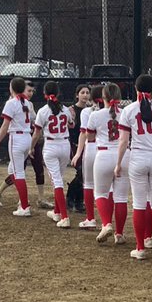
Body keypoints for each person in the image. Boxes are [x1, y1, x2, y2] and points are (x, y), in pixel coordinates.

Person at [117, 74, 152, 260]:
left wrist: (118, 163)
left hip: (138, 158)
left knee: (139, 204)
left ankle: (140, 247)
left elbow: (123, 141)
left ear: (135, 89)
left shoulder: (129, 110)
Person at [73, 82, 128, 244]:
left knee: (100, 193)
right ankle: (119, 234)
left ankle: (106, 224)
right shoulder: (125, 113)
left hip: (103, 154)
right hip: (124, 155)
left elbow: (89, 137)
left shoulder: (95, 115)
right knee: (121, 198)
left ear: (102, 98)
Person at [31, 81, 75, 227]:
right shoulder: (65, 109)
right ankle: (57, 212)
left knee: (57, 181)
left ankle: (64, 216)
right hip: (64, 144)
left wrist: (31, 147)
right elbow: (71, 124)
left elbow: (37, 133)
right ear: (58, 94)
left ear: (45, 94)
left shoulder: (43, 111)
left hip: (51, 146)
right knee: (59, 179)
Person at [0, 77, 35, 216]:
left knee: (18, 173)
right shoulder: (26, 102)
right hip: (27, 137)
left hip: (17, 138)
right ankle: (1, 193)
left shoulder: (11, 103)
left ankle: (24, 206)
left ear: (12, 88)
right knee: (15, 171)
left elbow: (5, 125)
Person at [72, 85, 104, 230]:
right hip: (109, 149)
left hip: (92, 147)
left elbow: (84, 133)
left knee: (89, 184)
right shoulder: (117, 111)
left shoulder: (87, 111)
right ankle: (107, 221)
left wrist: (78, 153)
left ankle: (90, 218)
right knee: (109, 189)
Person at [65, 84, 93, 214]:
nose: (85, 95)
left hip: (87, 145)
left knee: (84, 173)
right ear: (77, 95)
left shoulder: (91, 110)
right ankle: (71, 197)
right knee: (81, 171)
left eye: (87, 93)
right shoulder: (71, 110)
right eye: (82, 92)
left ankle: (78, 199)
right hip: (74, 144)